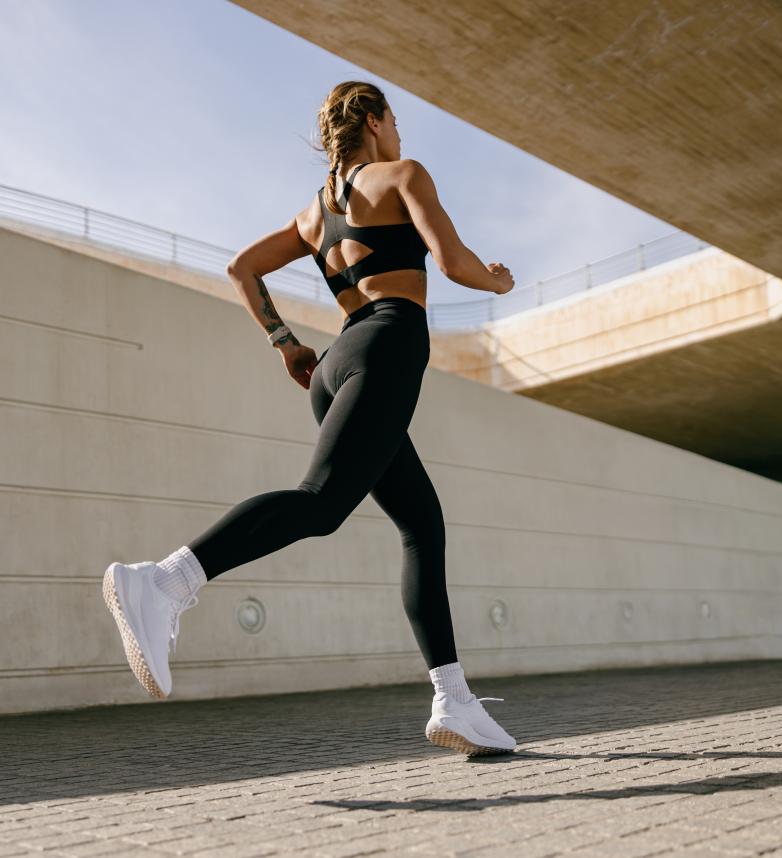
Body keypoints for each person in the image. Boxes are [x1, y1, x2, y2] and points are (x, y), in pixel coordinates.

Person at [102, 80, 517, 756]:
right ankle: (164, 580)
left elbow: (243, 268)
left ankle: (455, 702)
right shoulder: (402, 174)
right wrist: (495, 282)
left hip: (336, 361)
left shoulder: (314, 213)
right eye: (396, 121)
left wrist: (283, 342)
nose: (401, 135)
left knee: (420, 525)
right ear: (377, 122)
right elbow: (450, 261)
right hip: (384, 345)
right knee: (321, 504)